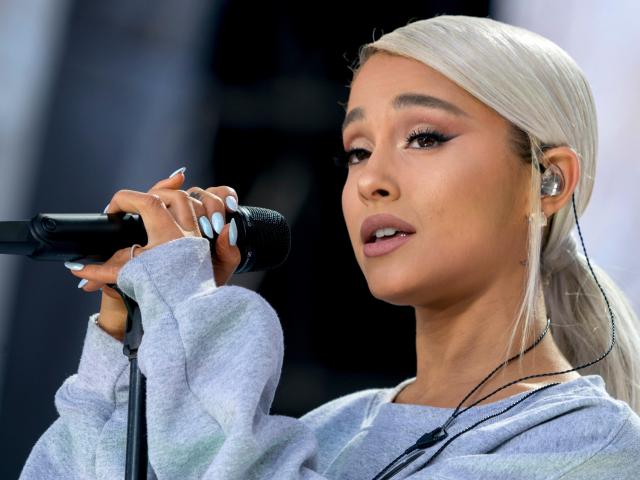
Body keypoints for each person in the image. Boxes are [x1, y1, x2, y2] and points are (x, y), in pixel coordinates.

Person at [19, 14, 640, 480]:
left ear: (547, 179)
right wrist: (134, 352)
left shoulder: (589, 448)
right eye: (357, 151)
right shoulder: (330, 431)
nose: (370, 179)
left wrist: (195, 315)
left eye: (425, 137)